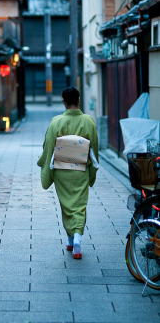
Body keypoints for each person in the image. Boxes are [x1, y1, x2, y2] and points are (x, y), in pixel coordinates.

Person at [37, 87, 98, 259]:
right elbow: (94, 148)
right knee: (79, 205)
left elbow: (48, 147)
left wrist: (43, 163)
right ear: (79, 100)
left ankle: (71, 240)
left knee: (66, 205)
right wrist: (92, 171)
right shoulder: (88, 121)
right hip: (81, 169)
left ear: (64, 102)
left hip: (62, 170)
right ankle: (76, 237)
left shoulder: (56, 121)